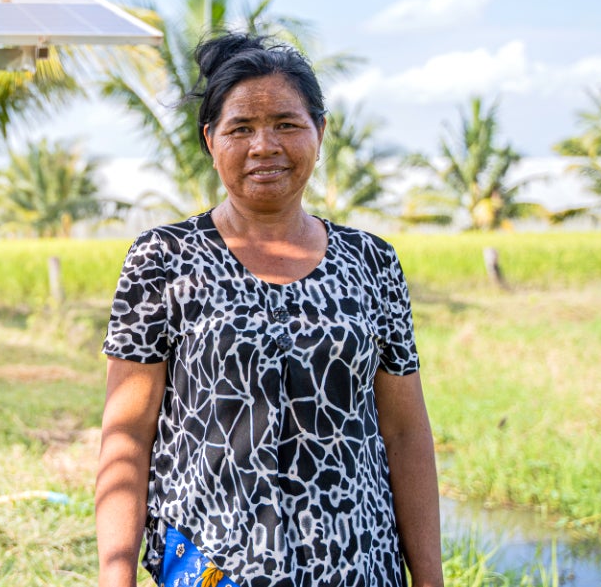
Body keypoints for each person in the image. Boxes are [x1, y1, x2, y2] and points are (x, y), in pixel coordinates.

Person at [95, 33, 443, 587]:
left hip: (354, 564)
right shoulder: (163, 258)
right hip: (210, 568)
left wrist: (429, 577)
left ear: (320, 132)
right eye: (241, 128)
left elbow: (404, 433)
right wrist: (116, 579)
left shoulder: (372, 262)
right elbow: (127, 435)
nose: (264, 146)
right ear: (211, 140)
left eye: (286, 124)